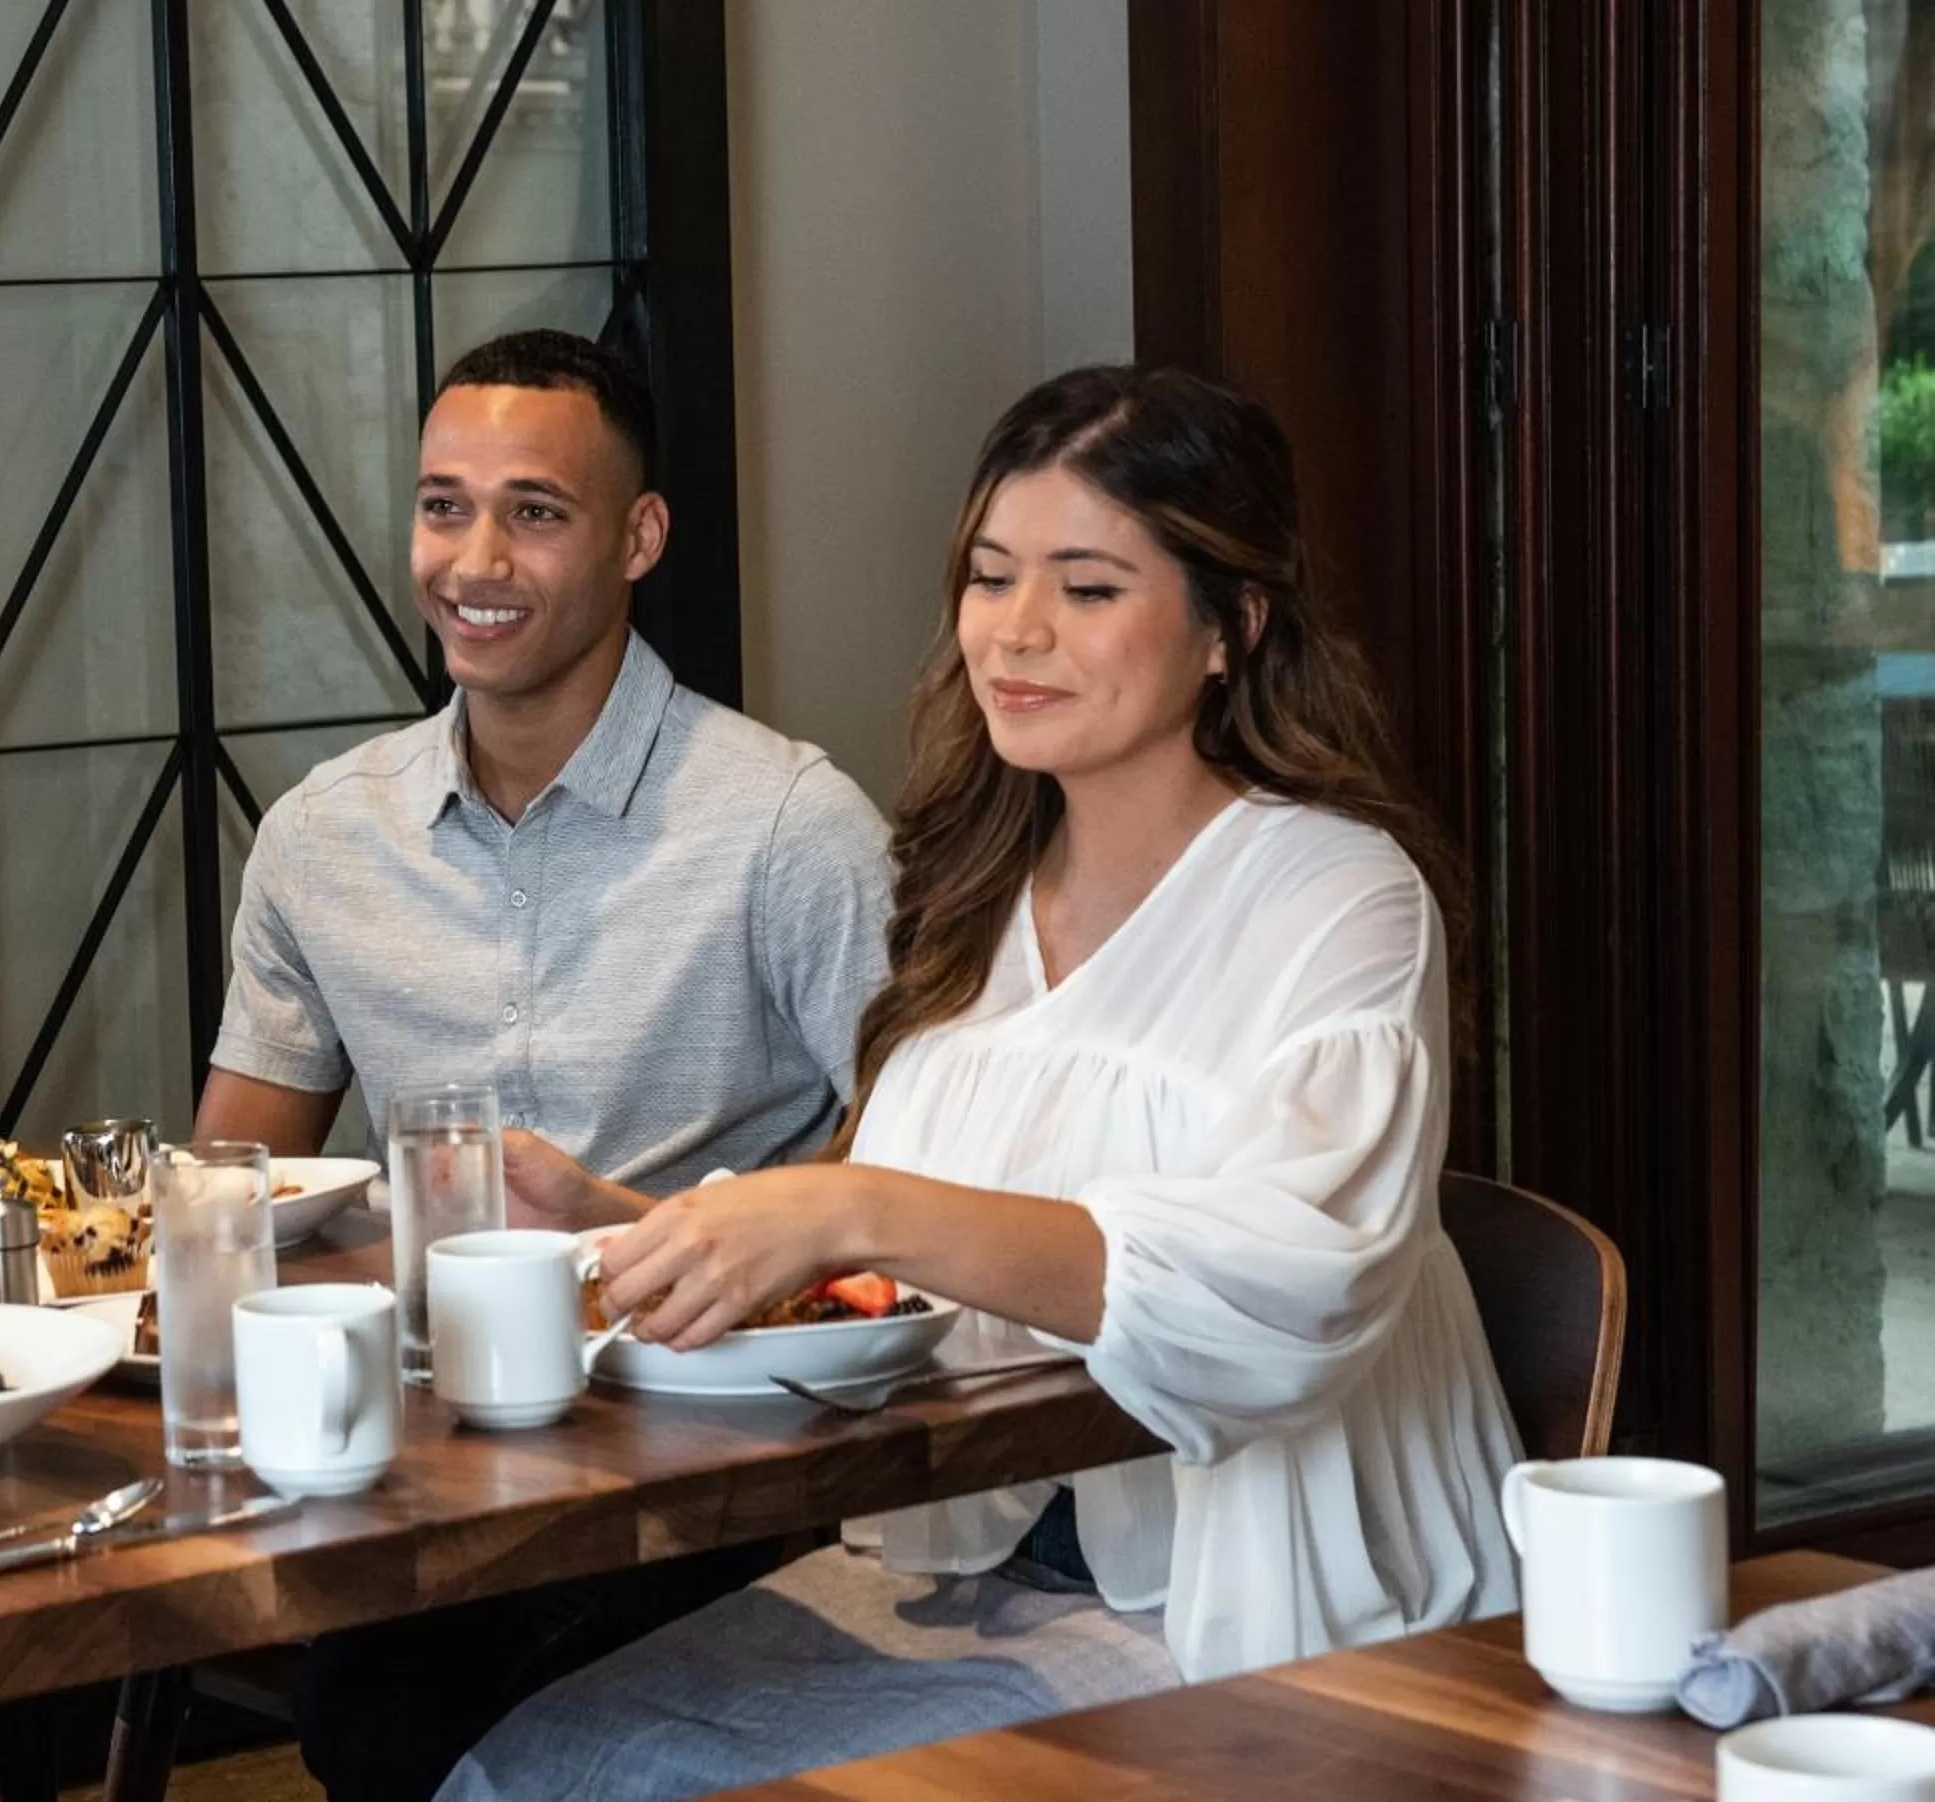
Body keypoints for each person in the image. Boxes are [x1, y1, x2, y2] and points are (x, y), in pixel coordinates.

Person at [433, 366, 1525, 1802]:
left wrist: (849, 1205)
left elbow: (1286, 1292)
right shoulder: (973, 893)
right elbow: (920, 1286)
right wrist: (654, 1225)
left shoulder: (1338, 898)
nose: (1017, 633)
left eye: (1087, 588)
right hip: (966, 1556)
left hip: (1250, 1594)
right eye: (991, 576)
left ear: (1230, 626)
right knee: (531, 1768)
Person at [191, 329, 893, 1802]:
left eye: (535, 511)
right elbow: (232, 1184)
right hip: (420, 1441)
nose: (475, 558)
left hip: (712, 1441)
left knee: (390, 1710)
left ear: (639, 536)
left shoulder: (785, 824)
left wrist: (658, 1228)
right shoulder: (325, 836)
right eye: (443, 505)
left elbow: (919, 1163)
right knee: (342, 1686)